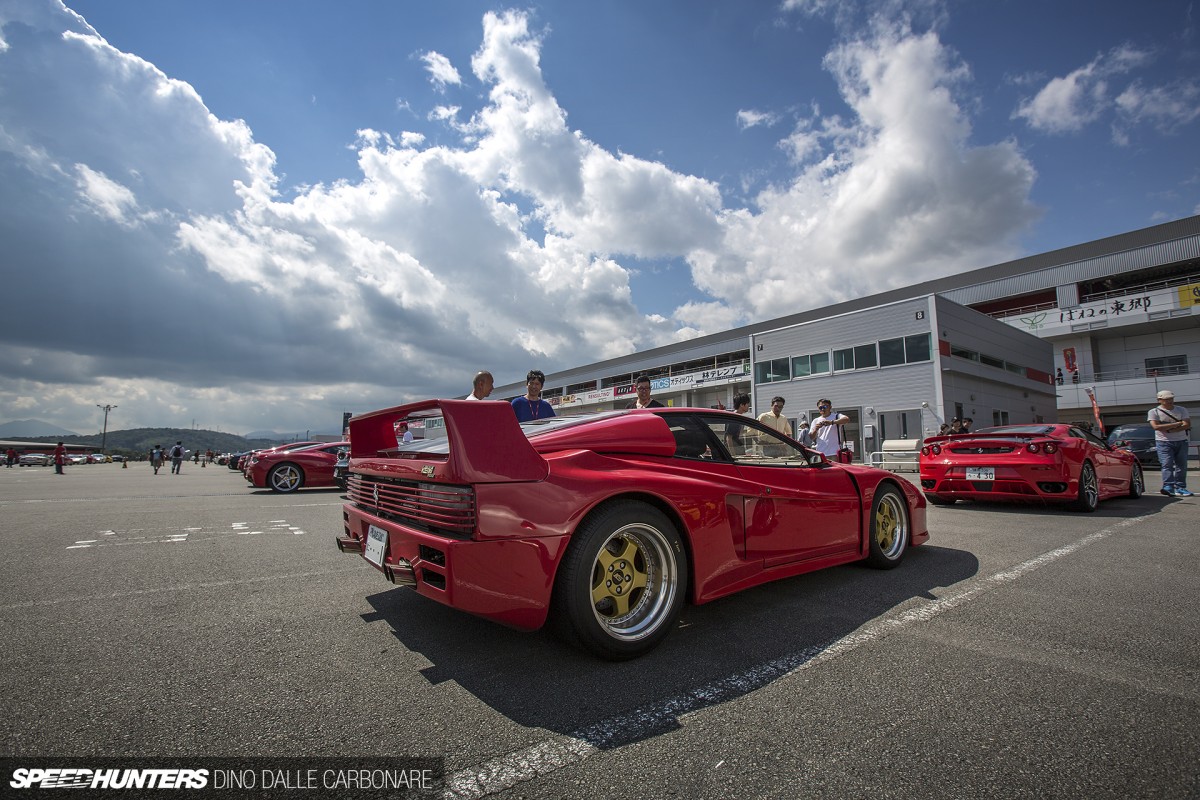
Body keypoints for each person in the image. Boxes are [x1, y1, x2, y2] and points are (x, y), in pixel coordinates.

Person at [1148, 390, 1192, 497]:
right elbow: (1156, 427)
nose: (1169, 401)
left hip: (1182, 440)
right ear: (1159, 400)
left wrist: (1169, 429)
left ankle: (1181, 487)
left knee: (1182, 465)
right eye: (1166, 399)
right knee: (1167, 464)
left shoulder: (1181, 409)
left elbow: (1187, 424)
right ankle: (1168, 486)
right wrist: (1177, 424)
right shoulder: (1154, 412)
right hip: (1163, 442)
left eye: (1171, 399)